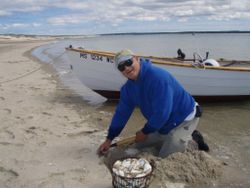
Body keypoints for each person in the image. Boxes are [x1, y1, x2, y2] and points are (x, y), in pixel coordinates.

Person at [98, 49, 207, 158]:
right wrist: (109, 139)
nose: (126, 68)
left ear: (137, 59)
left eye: (128, 62)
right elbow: (121, 114)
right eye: (121, 67)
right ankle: (173, 137)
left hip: (185, 118)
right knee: (136, 147)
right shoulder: (127, 89)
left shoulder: (158, 78)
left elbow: (162, 113)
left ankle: (193, 140)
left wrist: (145, 132)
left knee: (166, 157)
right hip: (163, 123)